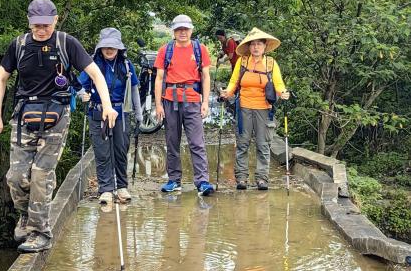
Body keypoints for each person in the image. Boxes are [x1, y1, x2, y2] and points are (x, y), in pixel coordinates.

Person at [0, 0, 118, 253]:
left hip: (57, 116)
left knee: (41, 175)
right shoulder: (19, 45)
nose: (41, 30)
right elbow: (1, 79)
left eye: (46, 25)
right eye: (37, 25)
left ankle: (40, 233)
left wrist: (107, 106)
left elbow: (95, 74)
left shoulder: (66, 43)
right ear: (29, 22)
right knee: (15, 177)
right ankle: (25, 215)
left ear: (55, 20)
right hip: (24, 115)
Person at [78, 28, 142, 206]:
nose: (109, 49)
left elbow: (134, 89)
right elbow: (78, 85)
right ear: (100, 47)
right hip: (98, 113)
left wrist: (139, 115)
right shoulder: (92, 64)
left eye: (112, 46)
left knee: (121, 151)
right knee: (102, 152)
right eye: (106, 46)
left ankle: (121, 187)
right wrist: (82, 94)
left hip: (121, 113)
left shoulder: (126, 65)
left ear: (119, 48)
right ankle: (106, 189)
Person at [220, 27, 289, 191]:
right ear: (249, 47)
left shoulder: (271, 63)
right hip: (244, 107)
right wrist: (227, 93)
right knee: (242, 143)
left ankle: (262, 179)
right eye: (253, 44)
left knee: (263, 145)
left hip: (264, 108)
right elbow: (234, 82)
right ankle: (241, 178)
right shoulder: (242, 62)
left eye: (259, 44)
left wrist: (283, 93)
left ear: (265, 46)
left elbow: (279, 84)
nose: (256, 47)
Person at [154, 14, 214, 196]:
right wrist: (158, 104)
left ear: (191, 30)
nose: (182, 32)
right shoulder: (165, 50)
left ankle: (202, 182)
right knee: (172, 142)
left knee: (197, 142)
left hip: (193, 101)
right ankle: (174, 180)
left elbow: (205, 76)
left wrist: (205, 102)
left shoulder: (200, 49)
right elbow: (159, 78)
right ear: (173, 31)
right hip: (170, 100)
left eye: (185, 29)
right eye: (179, 29)